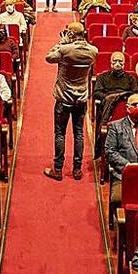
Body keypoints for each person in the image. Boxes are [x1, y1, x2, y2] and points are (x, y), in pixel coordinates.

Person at [43, 22, 98, 181]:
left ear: (72, 34)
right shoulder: (93, 51)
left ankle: (58, 169)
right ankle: (77, 169)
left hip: (64, 97)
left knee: (60, 133)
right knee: (79, 133)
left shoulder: (65, 50)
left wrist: (63, 42)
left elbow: (49, 57)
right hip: (81, 98)